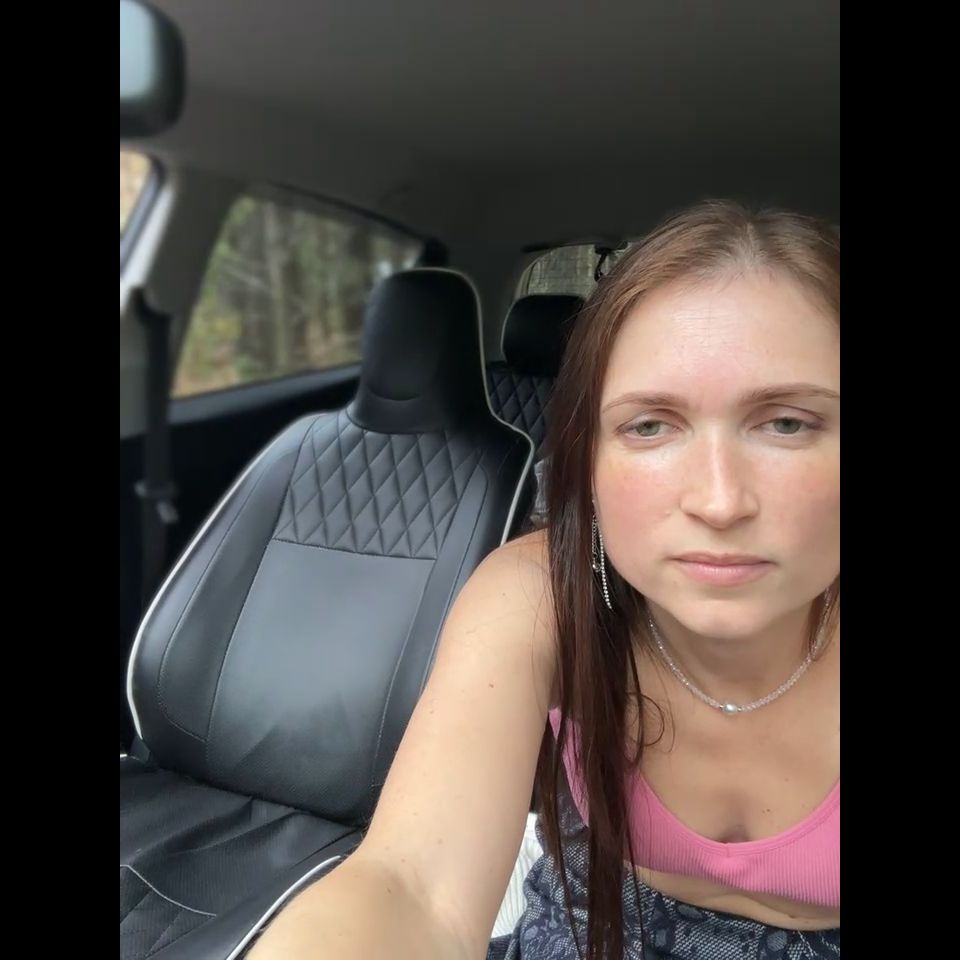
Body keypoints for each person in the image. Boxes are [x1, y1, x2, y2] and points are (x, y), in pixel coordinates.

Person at [249, 200, 841, 960]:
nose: (720, 502)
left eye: (787, 423)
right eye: (649, 426)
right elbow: (413, 887)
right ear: (587, 461)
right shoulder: (538, 594)